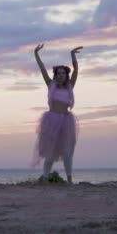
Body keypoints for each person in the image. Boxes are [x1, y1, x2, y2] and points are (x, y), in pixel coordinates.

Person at [33, 43, 82, 184]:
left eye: (63, 73)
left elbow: (76, 70)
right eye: (58, 73)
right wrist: (36, 54)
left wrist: (72, 55)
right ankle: (45, 179)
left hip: (67, 121)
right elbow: (42, 69)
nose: (61, 76)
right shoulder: (50, 85)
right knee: (50, 153)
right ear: (55, 75)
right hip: (52, 121)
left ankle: (69, 180)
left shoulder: (70, 86)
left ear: (66, 75)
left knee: (67, 153)